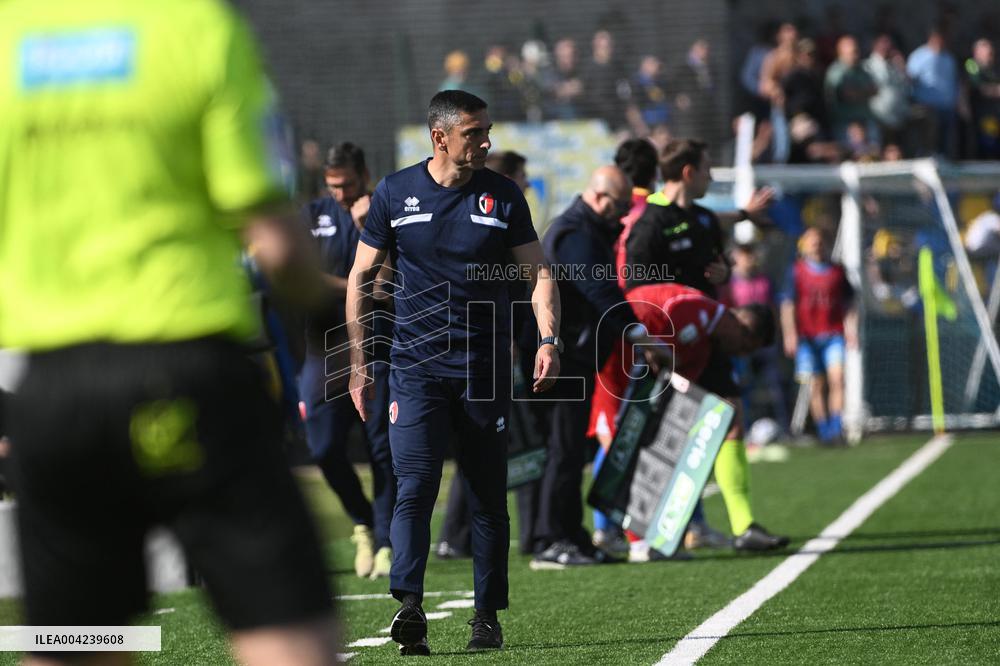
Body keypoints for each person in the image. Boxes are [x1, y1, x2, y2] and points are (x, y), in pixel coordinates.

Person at [0, 1, 340, 664]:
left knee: (78, 642)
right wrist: (325, 308)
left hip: (54, 388)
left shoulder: (9, 33)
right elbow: (274, 241)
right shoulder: (197, 29)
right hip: (188, 367)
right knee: (287, 632)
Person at [346, 90, 560, 655]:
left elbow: (538, 273)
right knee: (414, 485)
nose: (486, 141)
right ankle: (409, 608)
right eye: (474, 133)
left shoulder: (504, 195)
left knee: (488, 495)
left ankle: (486, 616)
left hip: (484, 370)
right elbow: (361, 277)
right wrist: (359, 361)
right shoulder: (395, 192)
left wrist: (547, 338)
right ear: (440, 138)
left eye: (487, 130)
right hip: (414, 367)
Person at [625, 138, 788, 551]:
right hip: (670, 345)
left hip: (708, 337)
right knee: (670, 433)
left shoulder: (701, 218)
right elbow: (637, 291)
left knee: (731, 417)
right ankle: (646, 532)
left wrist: (725, 267)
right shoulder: (649, 226)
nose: (711, 176)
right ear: (687, 173)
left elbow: (718, 252)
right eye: (707, 169)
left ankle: (744, 525)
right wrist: (651, 346)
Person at [530, 165, 670, 569]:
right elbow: (601, 293)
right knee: (563, 449)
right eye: (621, 205)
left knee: (573, 450)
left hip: (575, 355)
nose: (625, 214)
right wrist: (642, 339)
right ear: (599, 196)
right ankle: (551, 539)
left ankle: (571, 534)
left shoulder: (587, 230)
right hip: (562, 356)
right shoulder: (575, 233)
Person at [300, 142, 395, 579]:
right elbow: (299, 277)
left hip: (376, 347)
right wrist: (353, 284)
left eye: (349, 185)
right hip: (323, 350)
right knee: (322, 448)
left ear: (364, 176)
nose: (341, 194)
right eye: (334, 185)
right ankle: (361, 521)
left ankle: (386, 540)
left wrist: (367, 228)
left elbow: (388, 286)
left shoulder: (383, 212)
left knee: (382, 449)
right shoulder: (312, 216)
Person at [437, 149, 534, 560]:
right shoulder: (487, 207)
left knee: (482, 444)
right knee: (483, 444)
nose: (526, 185)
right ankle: (456, 535)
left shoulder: (501, 205)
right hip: (477, 344)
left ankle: (456, 536)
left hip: (493, 339)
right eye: (522, 177)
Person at [780, 227, 857, 444]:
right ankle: (824, 431)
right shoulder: (796, 271)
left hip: (833, 334)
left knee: (838, 379)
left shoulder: (837, 271)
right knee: (816, 384)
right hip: (807, 337)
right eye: (812, 241)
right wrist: (790, 334)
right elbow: (788, 304)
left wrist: (850, 329)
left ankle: (836, 426)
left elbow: (850, 303)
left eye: (820, 241)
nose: (817, 245)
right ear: (804, 245)